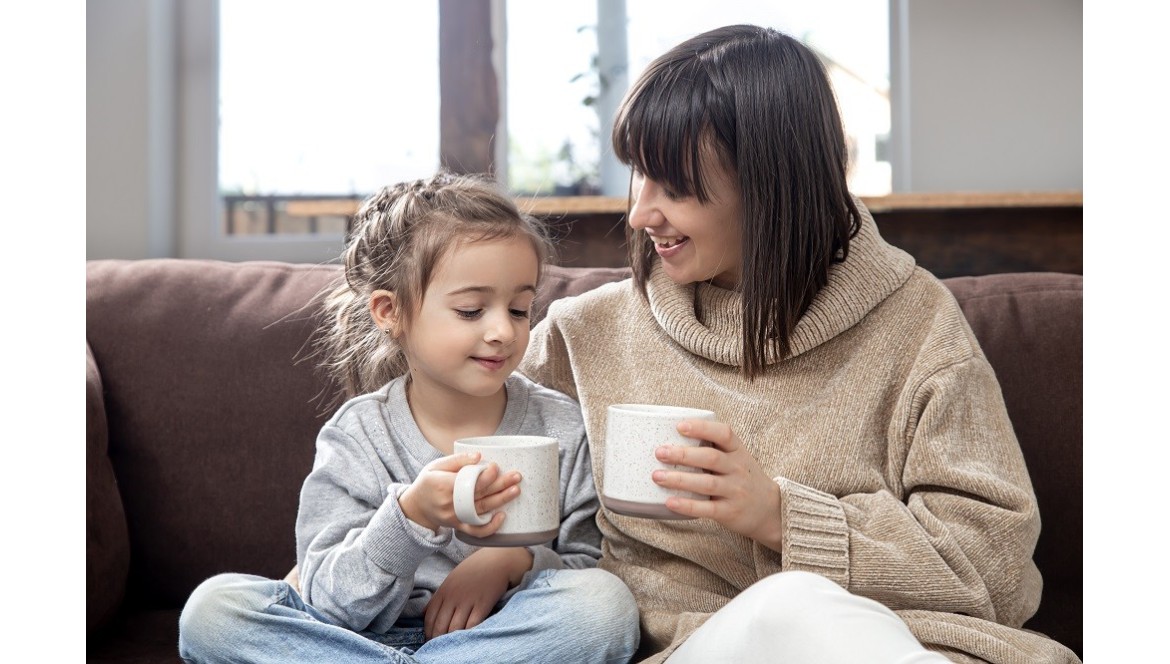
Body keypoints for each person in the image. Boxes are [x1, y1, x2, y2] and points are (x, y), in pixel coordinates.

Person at [518, 25, 1081, 664]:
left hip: (916, 645)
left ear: (769, 184)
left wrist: (780, 516)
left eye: (674, 188)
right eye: (639, 177)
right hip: (696, 651)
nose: (642, 213)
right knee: (785, 611)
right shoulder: (583, 334)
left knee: (796, 609)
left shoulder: (918, 324)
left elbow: (997, 569)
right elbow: (467, 463)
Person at [178, 171, 640, 664]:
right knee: (214, 609)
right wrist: (410, 517)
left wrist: (511, 561)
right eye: (470, 310)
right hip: (352, 645)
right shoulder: (358, 435)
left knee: (605, 607)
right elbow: (328, 603)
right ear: (389, 311)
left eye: (520, 309)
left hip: (498, 643)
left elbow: (589, 565)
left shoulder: (561, 425)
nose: (503, 330)